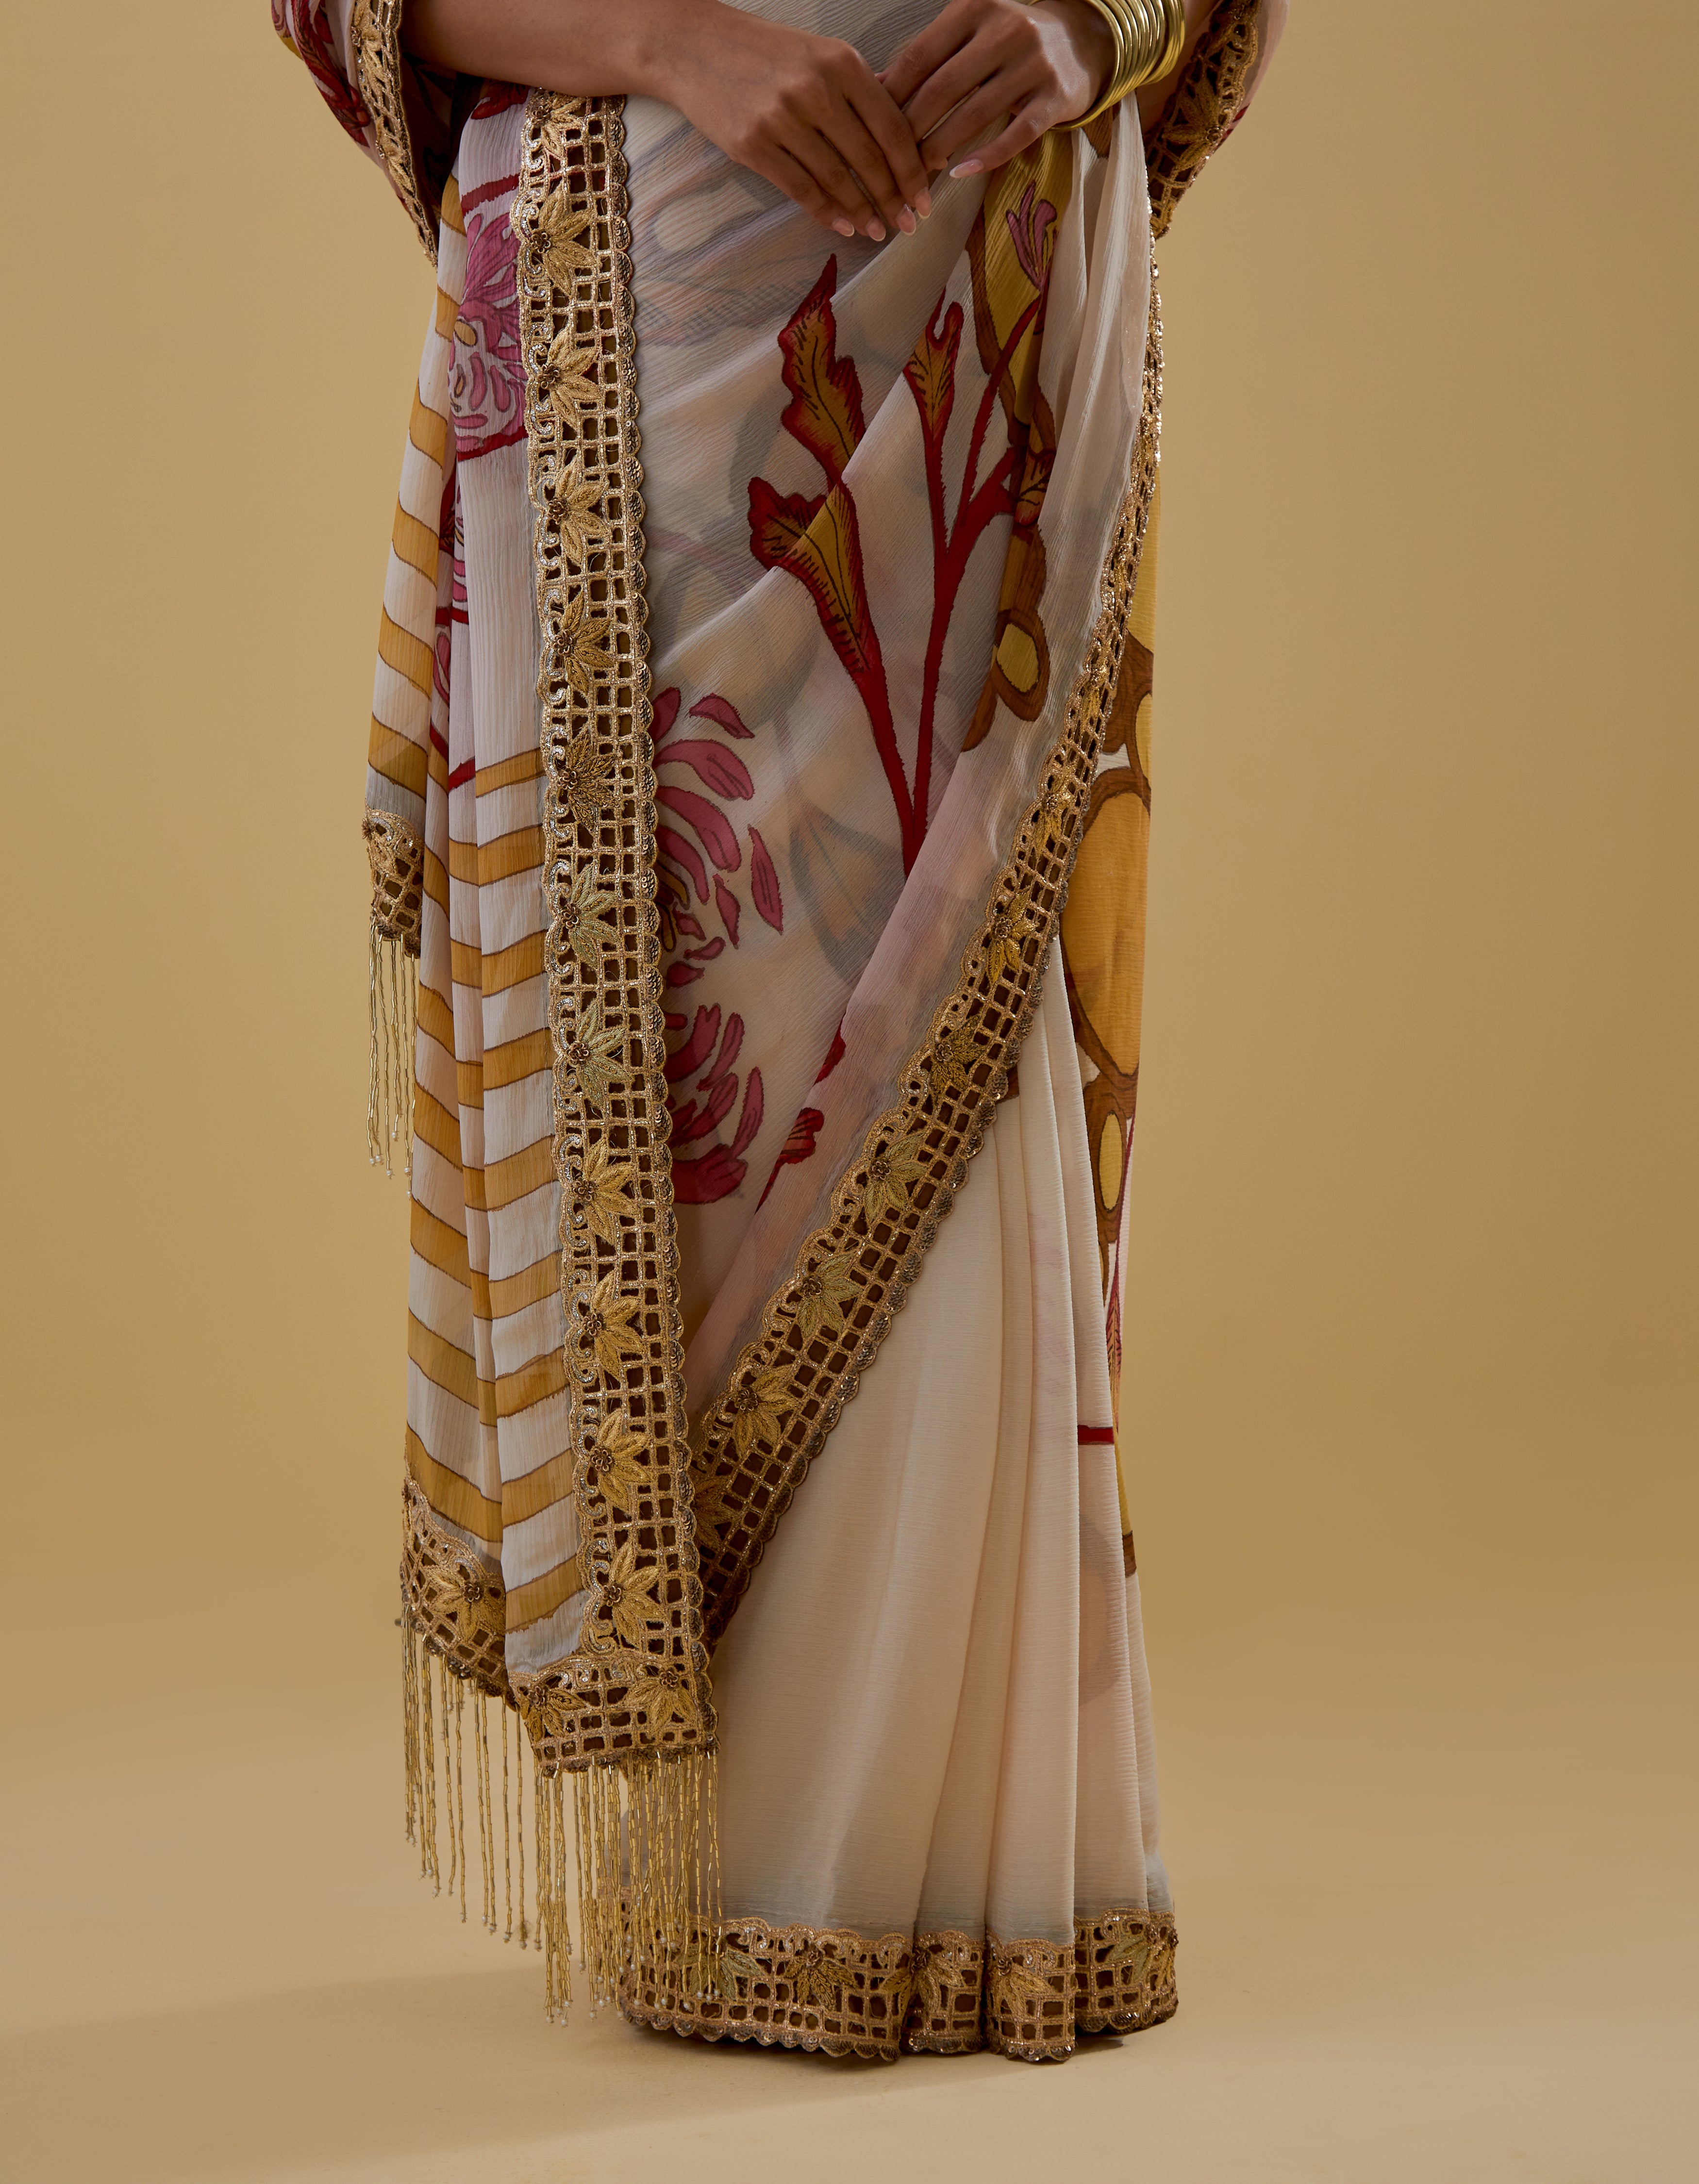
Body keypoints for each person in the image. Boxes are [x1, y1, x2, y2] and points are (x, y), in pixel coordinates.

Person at [275, 0, 1285, 2063]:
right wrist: (668, 41)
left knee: (965, 1019)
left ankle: (989, 1877)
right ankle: (742, 1865)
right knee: (686, 1088)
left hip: (990, 300)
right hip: (646, 297)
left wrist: (1087, 22)